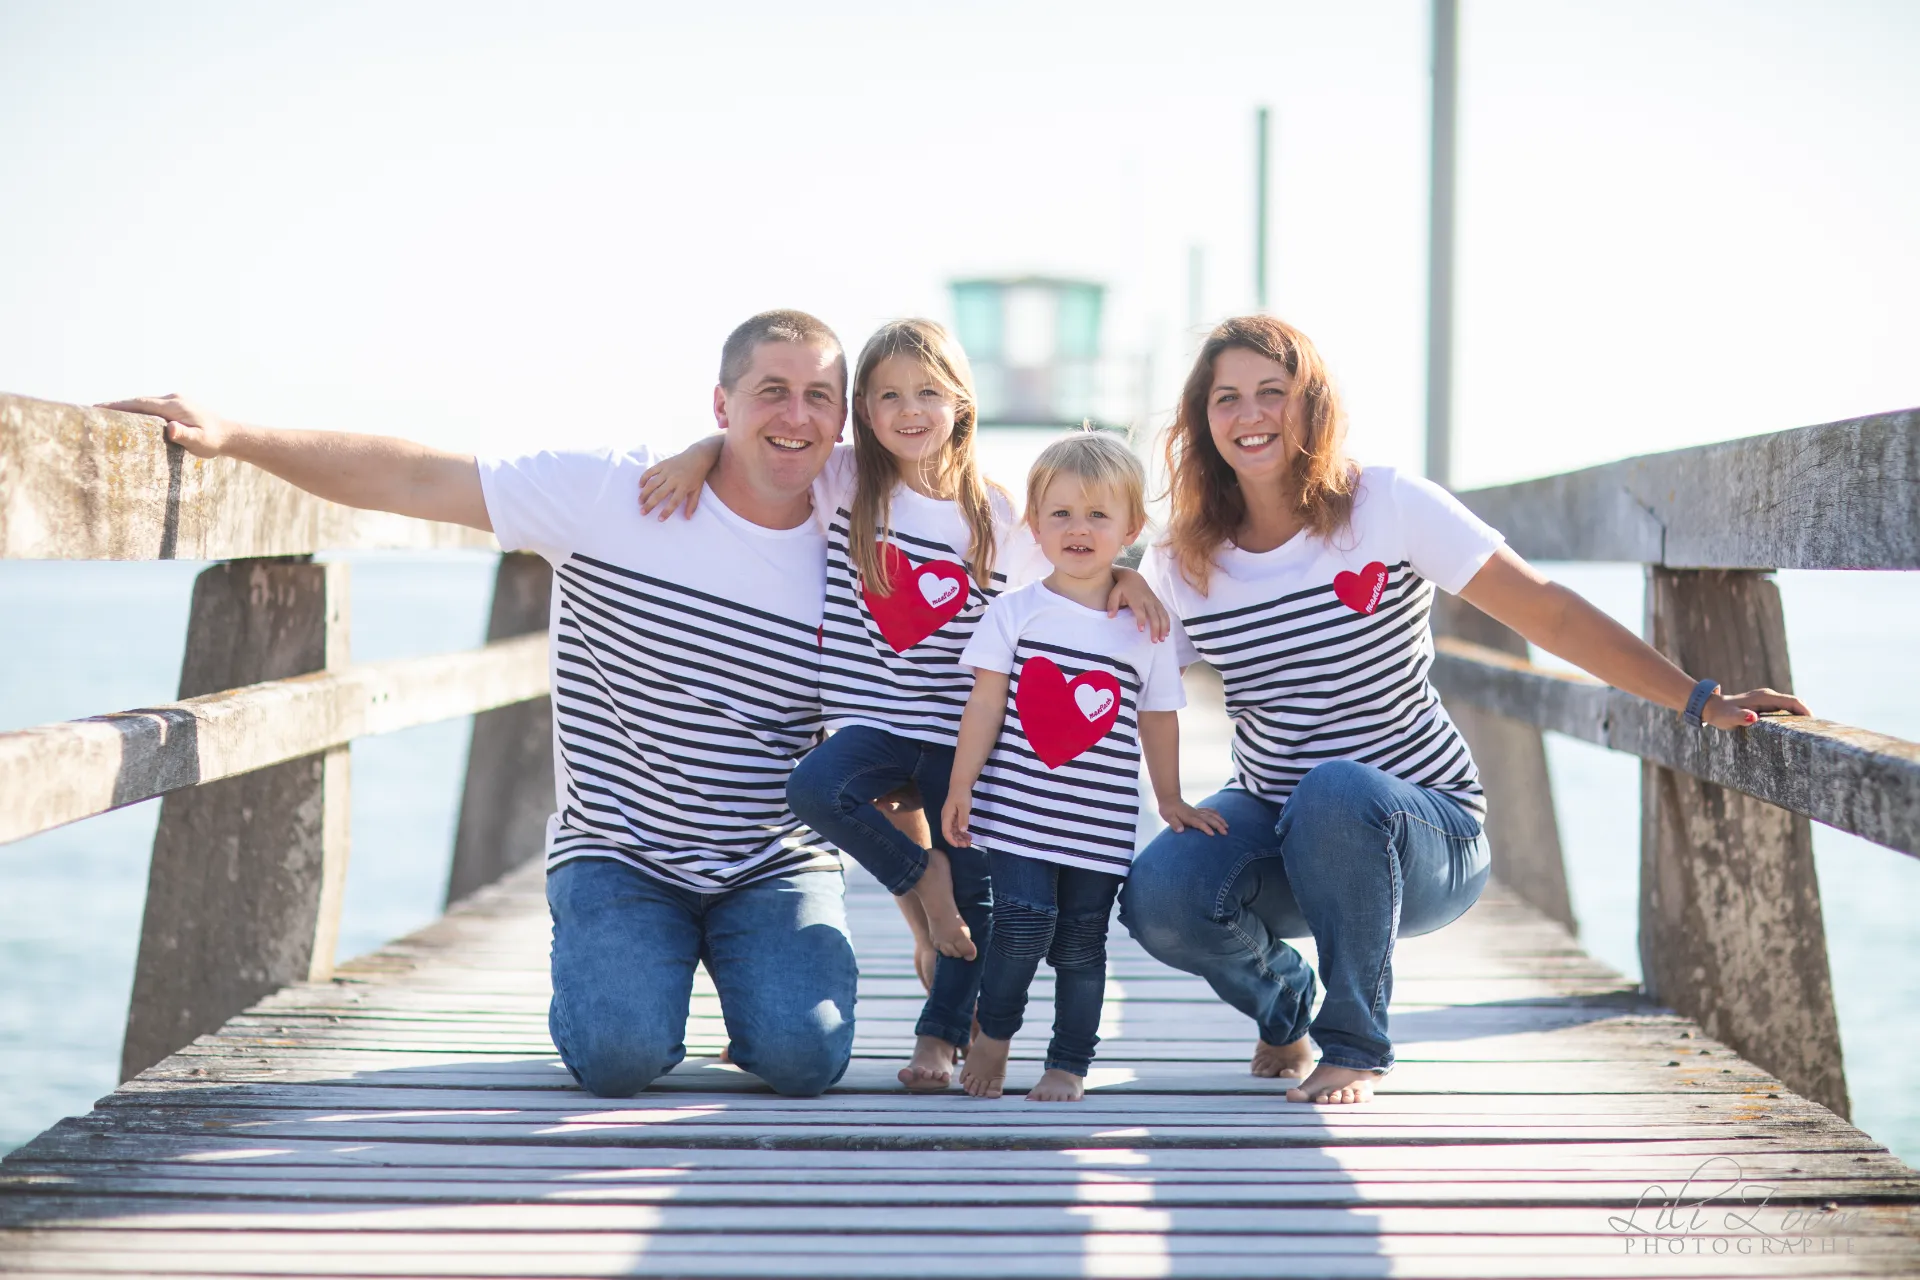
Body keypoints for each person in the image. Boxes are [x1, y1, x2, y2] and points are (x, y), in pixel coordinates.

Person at [106, 309, 867, 1098]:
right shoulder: (608, 495)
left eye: (819, 396)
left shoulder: (859, 524)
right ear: (721, 404)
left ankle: (754, 996)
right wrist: (233, 434)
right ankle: (627, 982)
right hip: (621, 853)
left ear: (842, 420)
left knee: (805, 1058)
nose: (795, 415)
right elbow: (414, 477)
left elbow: (959, 498)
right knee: (618, 1057)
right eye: (771, 391)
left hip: (772, 859)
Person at [1120, 315, 1811, 1105]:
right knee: (1161, 894)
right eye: (1227, 399)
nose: (1249, 416)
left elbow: (1546, 612)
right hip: (1278, 824)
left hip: (1425, 835)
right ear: (1202, 421)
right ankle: (1285, 1010)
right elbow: (1123, 678)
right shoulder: (1183, 557)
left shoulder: (1385, 504)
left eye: (1271, 393)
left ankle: (1354, 1047)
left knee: (1336, 791)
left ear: (1310, 405)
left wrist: (1699, 698)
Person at [637, 318, 1170, 1092]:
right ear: (862, 407)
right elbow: (762, 449)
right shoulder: (847, 481)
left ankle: (939, 1041)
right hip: (873, 726)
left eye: (927, 393)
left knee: (979, 901)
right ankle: (919, 880)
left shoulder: (997, 514)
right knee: (815, 786)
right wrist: (695, 454)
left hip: (962, 734)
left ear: (961, 401)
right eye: (887, 395)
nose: (908, 409)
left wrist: (1128, 577)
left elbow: (1070, 571)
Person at [942, 432, 1222, 1102]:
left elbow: (1159, 716)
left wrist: (1172, 798)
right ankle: (995, 1033)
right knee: (1020, 927)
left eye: (1098, 515)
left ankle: (1069, 1062)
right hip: (1016, 815)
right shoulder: (1015, 614)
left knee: (1080, 946)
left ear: (1132, 527)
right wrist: (961, 784)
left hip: (1098, 826)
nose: (1078, 529)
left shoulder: (1149, 629)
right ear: (1034, 525)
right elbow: (982, 706)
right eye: (1061, 513)